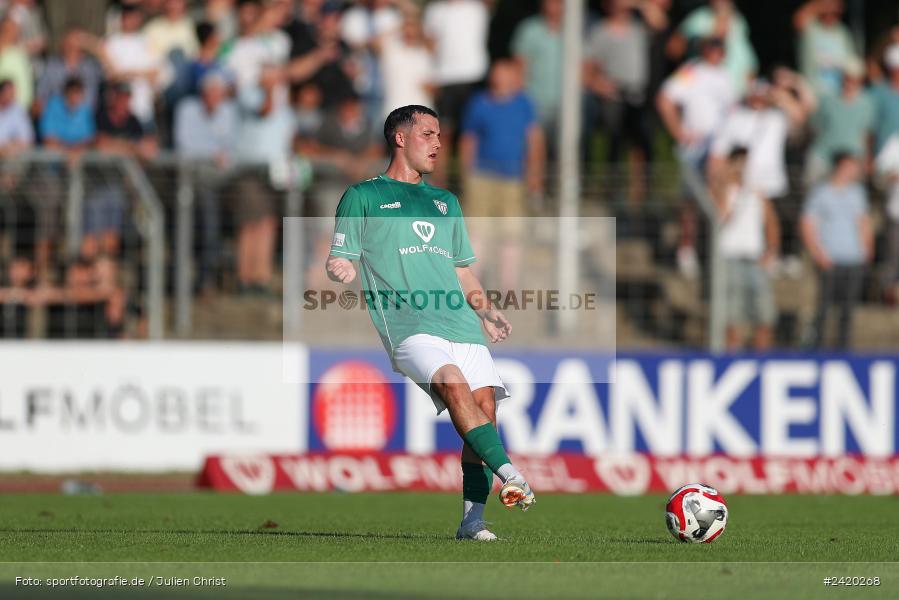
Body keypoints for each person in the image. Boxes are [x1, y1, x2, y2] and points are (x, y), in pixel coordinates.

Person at [326, 104, 535, 541]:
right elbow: (339, 256)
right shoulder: (363, 196)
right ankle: (513, 475)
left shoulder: (446, 202)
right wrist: (340, 268)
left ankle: (472, 522)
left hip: (460, 322)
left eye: (441, 135)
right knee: (452, 381)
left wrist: (485, 309)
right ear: (400, 138)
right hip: (408, 325)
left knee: (485, 413)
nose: (439, 143)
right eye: (429, 134)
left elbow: (460, 270)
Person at [708, 71, 817, 268]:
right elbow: (718, 154)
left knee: (774, 223)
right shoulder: (735, 118)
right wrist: (718, 183)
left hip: (771, 183)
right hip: (742, 185)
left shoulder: (776, 118)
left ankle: (776, 256)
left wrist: (784, 91)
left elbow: (803, 113)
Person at [459, 59, 545, 292]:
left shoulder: (524, 104)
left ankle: (508, 285)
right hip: (482, 177)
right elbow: (469, 139)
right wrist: (467, 173)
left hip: (514, 178)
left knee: (512, 233)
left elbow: (534, 139)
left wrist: (535, 173)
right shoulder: (479, 103)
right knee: (477, 231)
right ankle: (473, 284)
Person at [657, 36, 736, 277]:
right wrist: (679, 131)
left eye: (720, 49)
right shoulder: (691, 72)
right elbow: (665, 99)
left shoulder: (727, 77)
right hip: (694, 151)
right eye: (712, 48)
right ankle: (686, 250)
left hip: (720, 152)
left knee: (720, 201)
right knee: (690, 202)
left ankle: (717, 250)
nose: (716, 53)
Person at [584, 0, 668, 204]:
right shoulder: (600, 32)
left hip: (638, 96)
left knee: (644, 142)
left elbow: (661, 22)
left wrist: (636, 4)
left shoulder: (638, 29)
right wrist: (599, 85)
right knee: (615, 143)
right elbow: (586, 68)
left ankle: (644, 195)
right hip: (614, 96)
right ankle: (612, 193)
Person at [800, 152, 873, 349]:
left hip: (853, 258)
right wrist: (817, 252)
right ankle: (819, 349)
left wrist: (866, 250)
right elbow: (808, 224)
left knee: (848, 310)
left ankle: (844, 350)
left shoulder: (857, 193)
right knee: (823, 308)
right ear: (840, 166)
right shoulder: (821, 192)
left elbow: (863, 222)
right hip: (829, 258)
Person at [174, 71, 239, 293]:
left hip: (224, 180)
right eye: (210, 92)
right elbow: (185, 147)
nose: (214, 97)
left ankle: (219, 275)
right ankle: (203, 279)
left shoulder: (229, 112)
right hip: (194, 180)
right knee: (204, 225)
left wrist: (217, 156)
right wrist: (213, 154)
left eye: (218, 93)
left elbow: (232, 149)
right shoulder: (187, 109)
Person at [711, 148, 780, 350]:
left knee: (765, 315)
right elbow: (720, 217)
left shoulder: (757, 193)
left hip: (754, 258)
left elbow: (771, 222)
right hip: (728, 258)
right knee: (731, 317)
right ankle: (733, 355)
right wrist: (726, 186)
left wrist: (772, 249)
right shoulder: (720, 191)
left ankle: (761, 357)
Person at [423, 0, 489, 186]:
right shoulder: (434, 10)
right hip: (445, 78)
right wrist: (431, 73)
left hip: (474, 76)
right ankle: (440, 186)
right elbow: (430, 45)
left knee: (471, 133)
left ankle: (468, 184)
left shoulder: (476, 8)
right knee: (443, 133)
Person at [666, 0, 757, 95]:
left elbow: (748, 62)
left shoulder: (739, 22)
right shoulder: (699, 18)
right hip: (700, 89)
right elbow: (673, 49)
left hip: (733, 94)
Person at [806, 59, 873, 183]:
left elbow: (866, 134)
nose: (850, 83)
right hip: (824, 155)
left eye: (855, 79)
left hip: (852, 160)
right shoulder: (827, 99)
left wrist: (866, 160)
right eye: (847, 78)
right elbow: (814, 126)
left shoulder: (867, 103)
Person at [510, 0, 564, 142]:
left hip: (567, 104)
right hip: (535, 102)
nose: (554, 5)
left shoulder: (577, 30)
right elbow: (519, 67)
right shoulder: (529, 29)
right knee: (536, 148)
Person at [794, 0, 857, 97]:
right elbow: (799, 19)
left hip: (839, 95)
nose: (831, 11)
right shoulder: (811, 28)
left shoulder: (843, 32)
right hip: (813, 95)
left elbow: (851, 66)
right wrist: (821, 4)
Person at [35, 28, 104, 115]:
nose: (72, 46)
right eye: (69, 42)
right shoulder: (52, 65)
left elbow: (112, 71)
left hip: (85, 119)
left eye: (77, 42)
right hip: (58, 118)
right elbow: (41, 94)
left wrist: (92, 44)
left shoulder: (91, 66)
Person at [40, 77, 96, 155]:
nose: (75, 97)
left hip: (78, 157)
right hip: (56, 156)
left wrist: (75, 150)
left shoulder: (85, 109)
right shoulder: (53, 105)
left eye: (78, 93)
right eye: (72, 93)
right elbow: (48, 138)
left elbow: (89, 139)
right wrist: (67, 151)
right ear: (65, 93)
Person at [0, 17, 32, 109]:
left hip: (20, 109)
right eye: (9, 30)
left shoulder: (20, 53)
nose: (14, 33)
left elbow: (26, 81)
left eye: (16, 30)